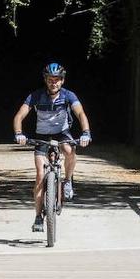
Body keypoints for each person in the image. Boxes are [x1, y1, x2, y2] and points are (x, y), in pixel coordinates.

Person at [12, 63, 92, 232]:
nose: (53, 83)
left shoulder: (68, 95)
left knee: (70, 150)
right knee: (40, 176)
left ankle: (68, 180)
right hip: (42, 136)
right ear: (45, 80)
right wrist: (19, 133)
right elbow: (20, 115)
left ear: (62, 81)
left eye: (57, 80)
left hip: (61, 133)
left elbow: (80, 113)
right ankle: (38, 217)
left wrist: (86, 133)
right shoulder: (36, 96)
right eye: (50, 79)